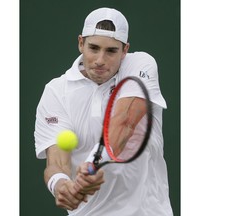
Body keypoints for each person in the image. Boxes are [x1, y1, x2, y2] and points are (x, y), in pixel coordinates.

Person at [34, 7, 173, 216]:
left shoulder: (140, 65)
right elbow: (56, 162)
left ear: (125, 50)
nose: (100, 60)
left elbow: (124, 122)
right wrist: (61, 185)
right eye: (94, 48)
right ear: (81, 43)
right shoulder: (56, 91)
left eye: (111, 51)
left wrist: (91, 165)